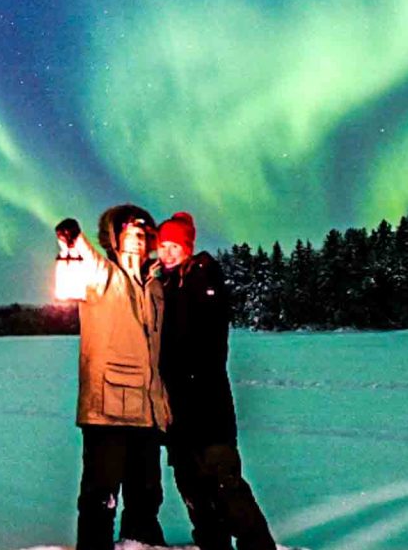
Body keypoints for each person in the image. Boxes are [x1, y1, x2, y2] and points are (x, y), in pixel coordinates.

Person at [154, 212, 277, 550]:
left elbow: (206, 341)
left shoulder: (202, 278)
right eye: (161, 246)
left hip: (208, 409)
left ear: (188, 248)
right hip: (177, 411)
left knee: (226, 486)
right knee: (193, 491)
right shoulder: (167, 283)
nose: (166, 253)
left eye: (173, 246)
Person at [56, 205, 170, 550]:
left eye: (142, 234)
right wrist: (72, 241)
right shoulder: (103, 274)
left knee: (147, 493)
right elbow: (84, 257)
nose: (137, 240)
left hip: (147, 408)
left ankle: (142, 544)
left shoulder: (154, 287)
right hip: (108, 406)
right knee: (100, 494)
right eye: (129, 233)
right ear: (114, 238)